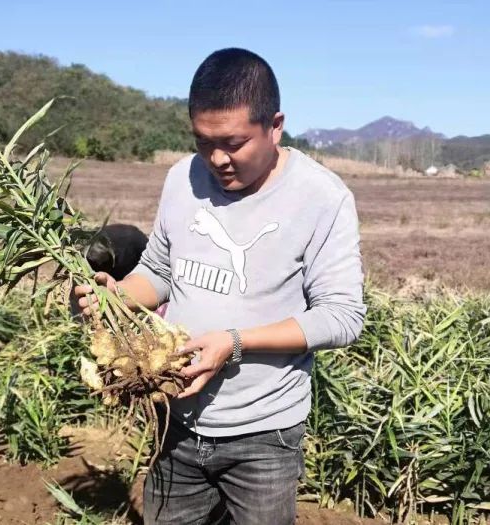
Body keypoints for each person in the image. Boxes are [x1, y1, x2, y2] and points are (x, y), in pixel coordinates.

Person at [74, 48, 366, 525]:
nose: (216, 158)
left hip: (264, 438)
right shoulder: (181, 178)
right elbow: (160, 272)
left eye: (233, 142)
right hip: (176, 420)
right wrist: (112, 298)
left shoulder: (322, 197)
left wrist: (233, 343)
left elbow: (342, 316)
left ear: (275, 126)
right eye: (202, 141)